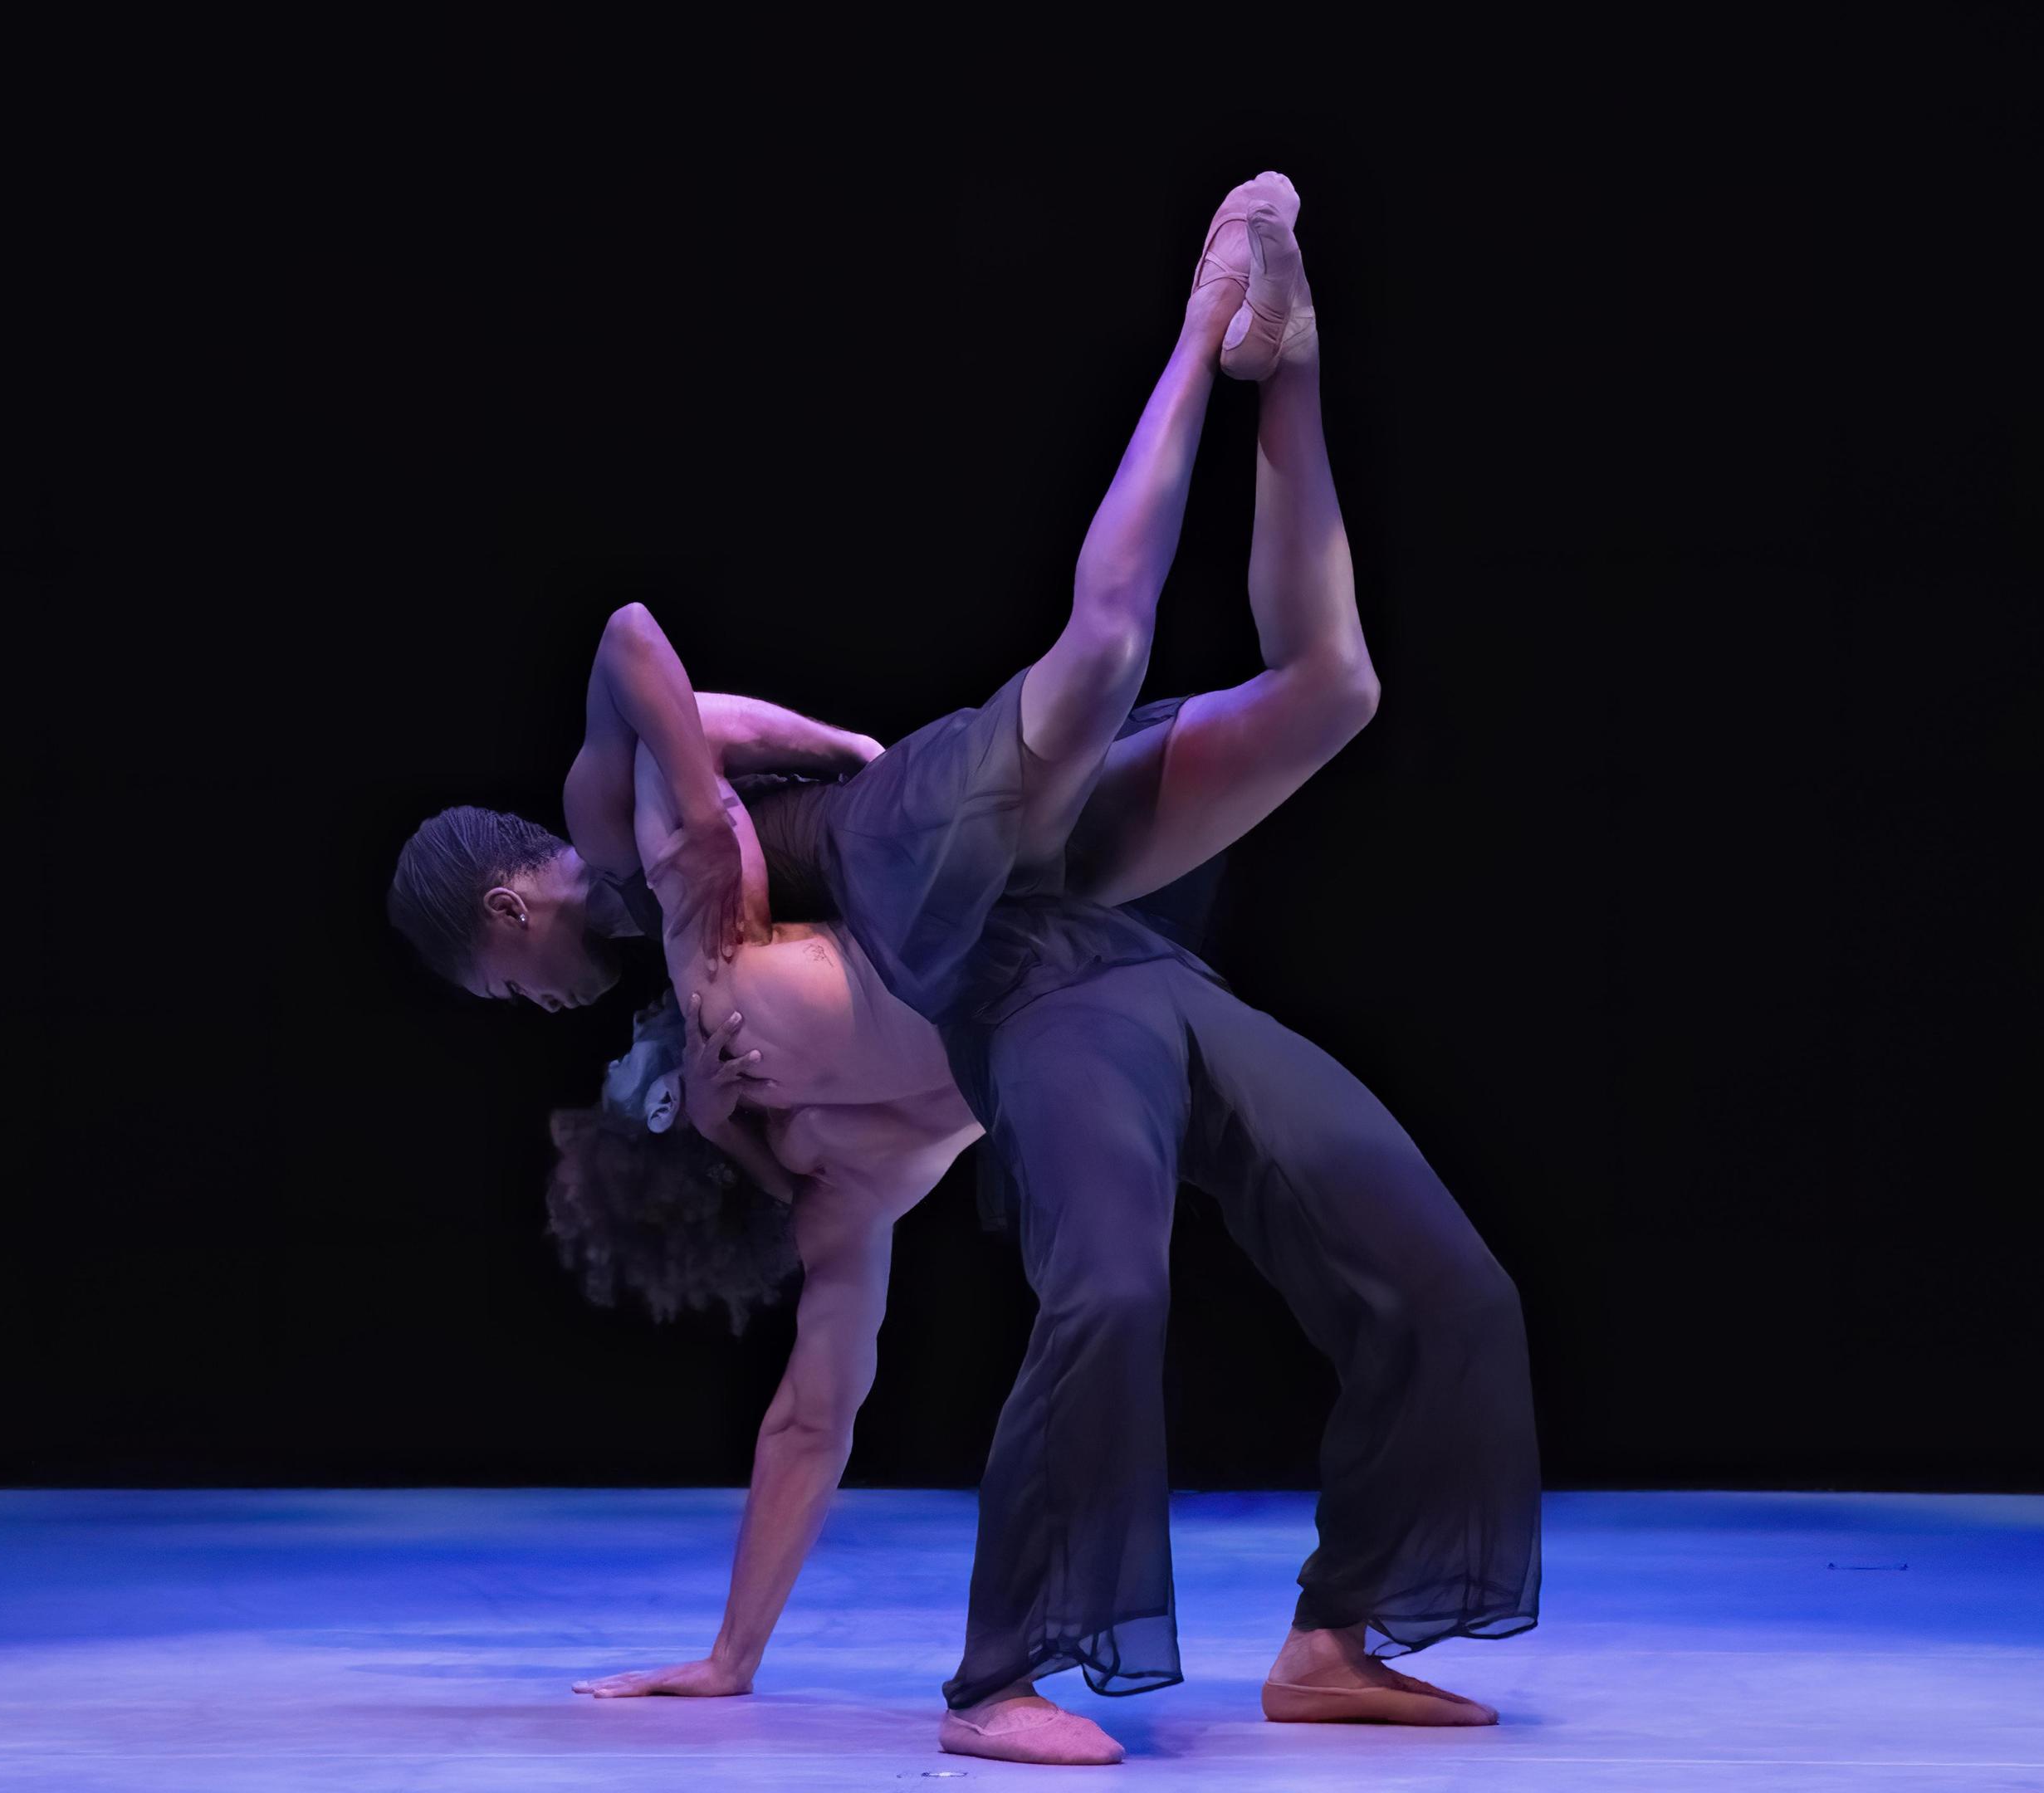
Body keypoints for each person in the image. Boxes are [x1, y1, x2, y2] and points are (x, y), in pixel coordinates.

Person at [501, 176, 1541, 1766]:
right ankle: (1031, 1675)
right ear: (713, 1148)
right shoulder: (828, 1155)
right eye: (678, 1101)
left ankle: (1250, 336)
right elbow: (811, 1420)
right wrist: (725, 1657)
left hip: (948, 858)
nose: (673, 1072)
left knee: (1173, 665)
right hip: (1070, 959)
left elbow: (658, 694)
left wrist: (786, 762)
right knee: (1320, 690)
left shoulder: (722, 986)